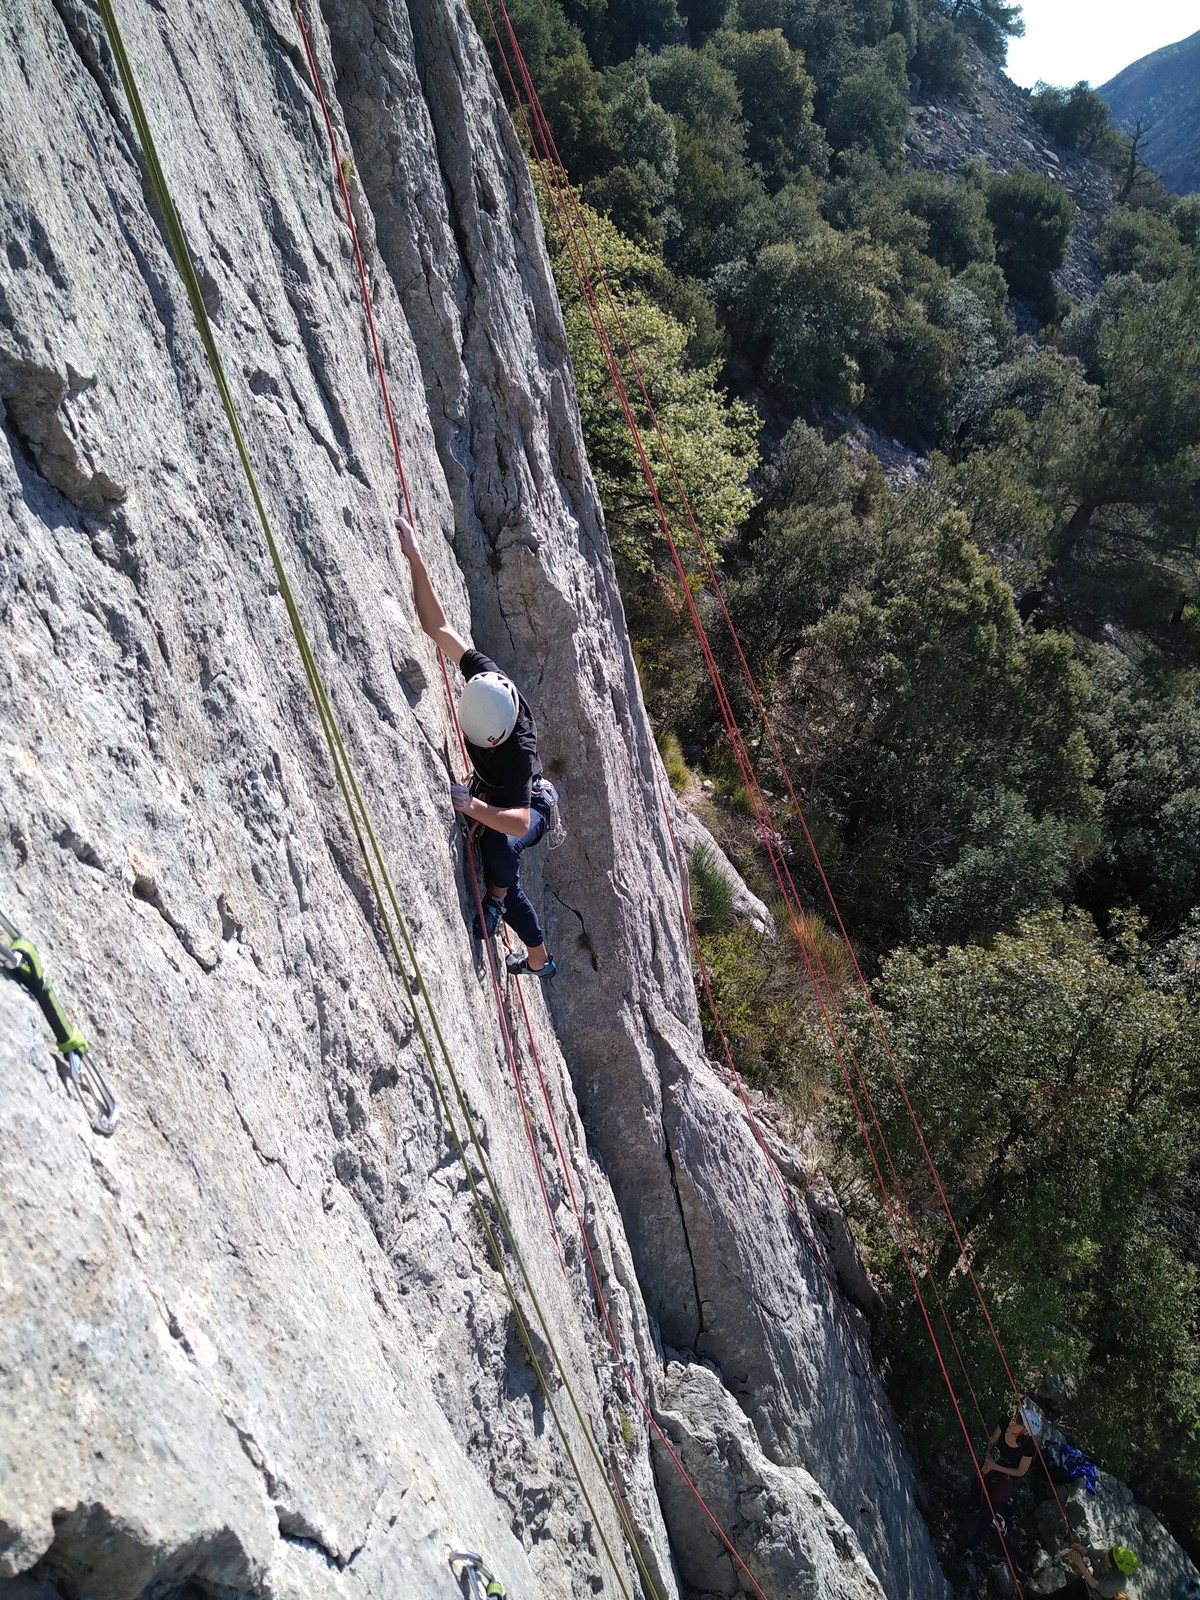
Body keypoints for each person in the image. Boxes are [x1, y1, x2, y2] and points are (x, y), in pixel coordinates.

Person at [396, 515, 556, 978]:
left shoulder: (519, 750)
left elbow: (520, 819)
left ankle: (528, 945)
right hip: (494, 796)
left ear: (499, 737)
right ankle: (507, 911)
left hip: (534, 805)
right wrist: (416, 558)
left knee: (502, 852)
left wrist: (473, 807)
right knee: (497, 851)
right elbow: (438, 626)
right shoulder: (487, 681)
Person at [970, 1407, 1039, 1550]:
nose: (1013, 1420)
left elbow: (1020, 1471)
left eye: (1018, 1421)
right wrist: (988, 1459)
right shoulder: (1005, 1422)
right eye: (1016, 1416)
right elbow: (992, 1441)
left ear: (1025, 1432)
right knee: (978, 1481)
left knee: (992, 1506)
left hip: (1010, 1474)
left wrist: (995, 1467)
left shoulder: (1029, 1446)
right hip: (996, 1461)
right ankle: (973, 1506)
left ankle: (972, 1547)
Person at [1060, 1542, 1138, 1598]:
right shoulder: (1110, 1555)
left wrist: (1080, 1564)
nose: (1106, 1556)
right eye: (1110, 1554)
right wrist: (1082, 1549)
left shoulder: (1120, 1582)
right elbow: (1093, 1553)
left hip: (1097, 1596)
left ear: (1118, 1569)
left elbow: (1094, 1584)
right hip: (1088, 1584)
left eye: (1109, 1560)